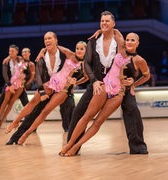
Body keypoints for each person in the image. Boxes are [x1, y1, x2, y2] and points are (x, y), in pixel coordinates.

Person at [59, 33, 130, 156]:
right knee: (86, 116)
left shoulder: (136, 59)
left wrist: (132, 84)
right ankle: (69, 144)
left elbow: (139, 76)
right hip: (104, 86)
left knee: (98, 122)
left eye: (132, 40)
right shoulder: (117, 51)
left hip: (118, 92)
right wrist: (101, 30)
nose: (128, 42)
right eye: (127, 40)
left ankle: (75, 147)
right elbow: (113, 30)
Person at [6, 41, 88, 144]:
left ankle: (27, 133)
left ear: (86, 50)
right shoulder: (70, 54)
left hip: (63, 89)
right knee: (32, 103)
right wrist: (43, 50)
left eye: (81, 49)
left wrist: (75, 83)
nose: (79, 51)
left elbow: (87, 77)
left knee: (45, 111)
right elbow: (54, 46)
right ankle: (15, 122)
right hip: (53, 81)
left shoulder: (86, 63)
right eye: (77, 48)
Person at [66, 11, 122, 154]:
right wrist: (94, 81)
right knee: (78, 112)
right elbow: (87, 63)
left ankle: (137, 147)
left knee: (131, 110)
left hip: (115, 86)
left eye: (107, 21)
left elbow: (126, 62)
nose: (104, 23)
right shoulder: (93, 41)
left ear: (113, 24)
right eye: (102, 21)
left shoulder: (119, 42)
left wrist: (131, 82)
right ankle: (72, 147)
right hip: (96, 83)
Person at [0, 45, 28, 128]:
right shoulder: (6, 61)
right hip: (9, 83)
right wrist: (9, 85)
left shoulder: (20, 59)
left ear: (17, 52)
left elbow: (25, 69)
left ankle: (29, 122)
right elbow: (5, 74)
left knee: (19, 103)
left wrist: (24, 79)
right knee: (2, 102)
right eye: (9, 51)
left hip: (20, 84)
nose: (10, 53)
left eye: (12, 51)